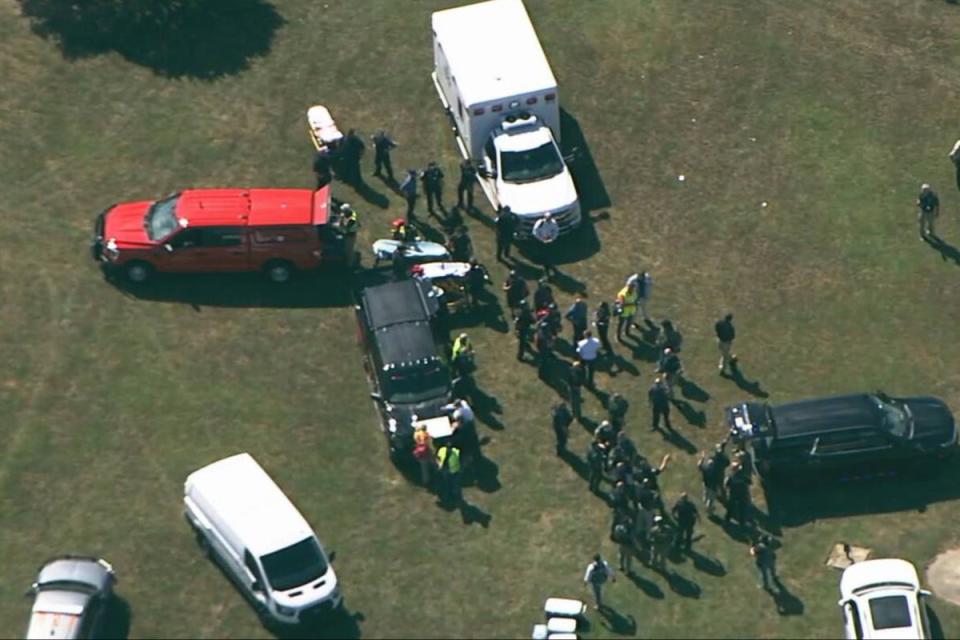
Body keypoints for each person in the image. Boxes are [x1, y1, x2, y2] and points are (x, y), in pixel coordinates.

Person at [532, 213, 560, 278]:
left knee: (549, 254)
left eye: (549, 218)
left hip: (550, 241)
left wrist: (552, 238)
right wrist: (542, 239)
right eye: (547, 218)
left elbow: (556, 231)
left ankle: (549, 264)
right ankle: (545, 265)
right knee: (543, 254)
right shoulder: (540, 223)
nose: (548, 220)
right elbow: (535, 232)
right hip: (541, 241)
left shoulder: (553, 223)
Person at [697, 449, 723, 516]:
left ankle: (705, 502)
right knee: (710, 500)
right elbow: (718, 480)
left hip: (706, 484)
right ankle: (709, 511)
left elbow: (699, 465)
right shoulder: (716, 471)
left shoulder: (705, 468)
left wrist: (702, 458)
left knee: (706, 495)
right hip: (713, 487)